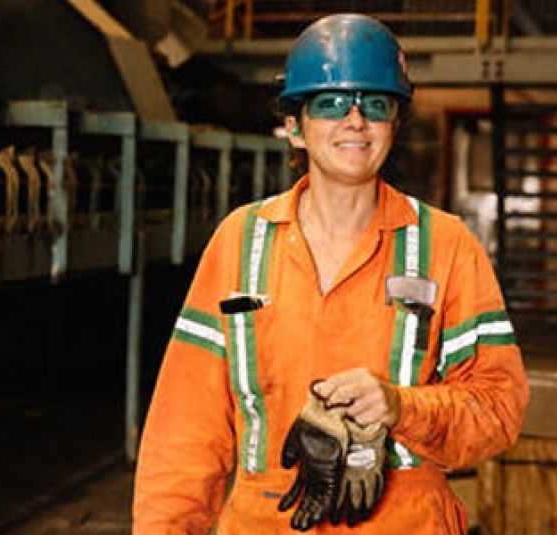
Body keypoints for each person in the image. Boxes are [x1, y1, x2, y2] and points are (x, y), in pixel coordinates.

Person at [133, 13, 528, 534]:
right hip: (264, 521)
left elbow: (498, 409)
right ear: (295, 126)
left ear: (395, 124)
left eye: (376, 104)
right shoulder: (241, 242)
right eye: (330, 103)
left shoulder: (447, 247)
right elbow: (185, 427)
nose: (355, 121)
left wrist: (400, 406)